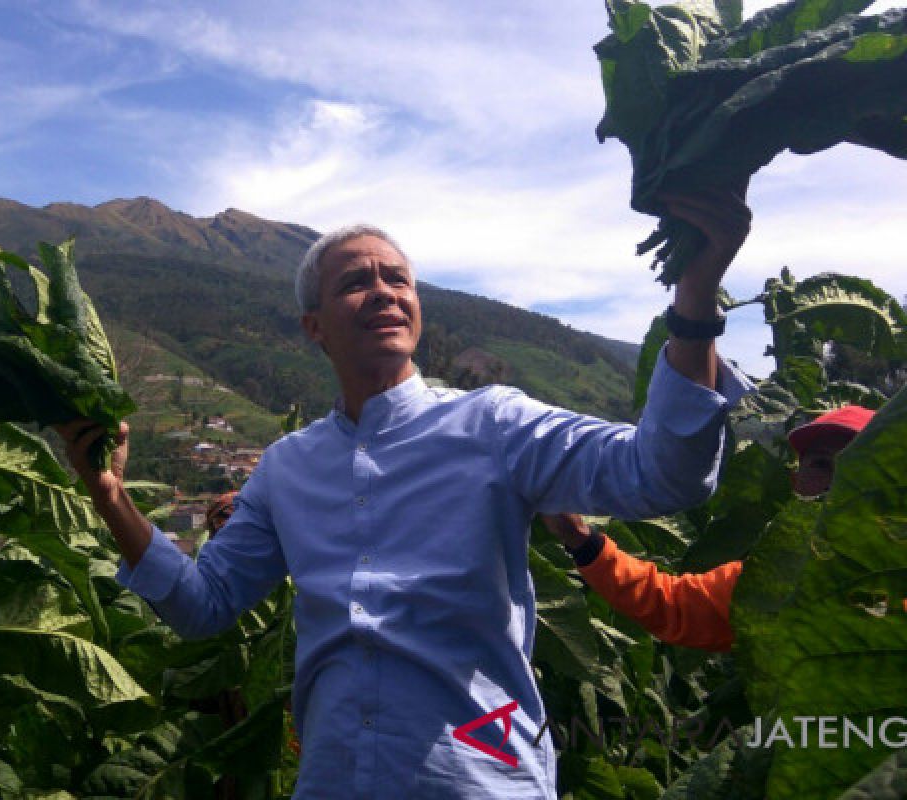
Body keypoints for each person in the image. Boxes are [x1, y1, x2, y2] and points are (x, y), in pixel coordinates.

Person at [57, 188, 753, 799]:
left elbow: (665, 473)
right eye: (357, 281)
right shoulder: (287, 467)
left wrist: (695, 300)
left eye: (399, 279)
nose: (386, 291)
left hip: (481, 774)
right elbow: (202, 606)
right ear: (314, 326)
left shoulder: (494, 423)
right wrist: (108, 492)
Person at [541, 404, 875, 652]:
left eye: (861, 466)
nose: (839, 482)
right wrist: (580, 541)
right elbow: (673, 605)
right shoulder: (777, 581)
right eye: (821, 465)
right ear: (796, 482)